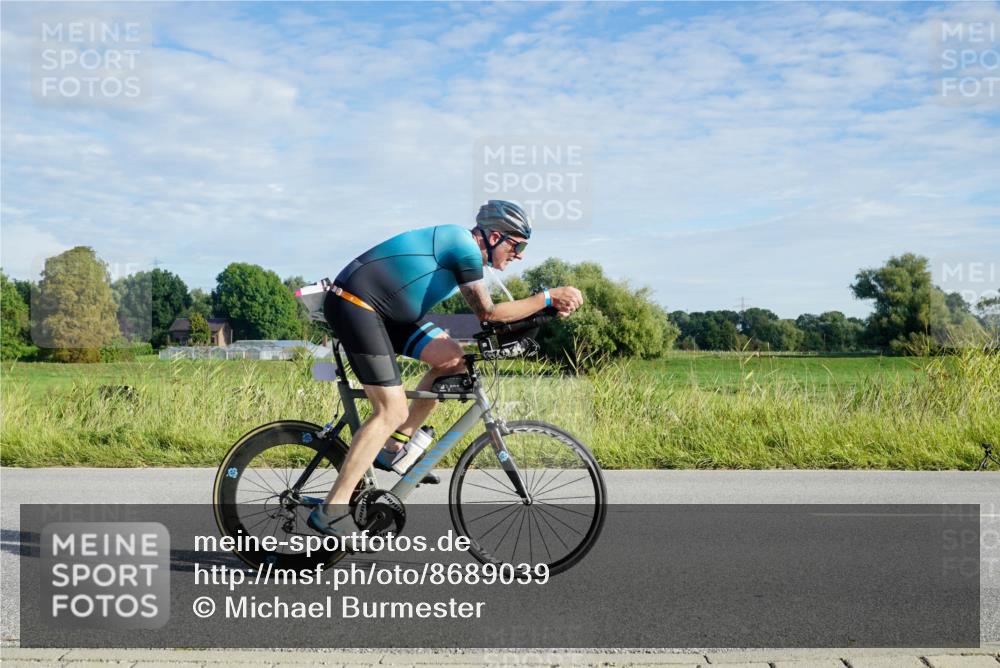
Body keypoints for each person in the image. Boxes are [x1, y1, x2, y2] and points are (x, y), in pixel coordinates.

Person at [308, 200, 584, 542]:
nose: (520, 255)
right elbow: (489, 313)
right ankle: (332, 509)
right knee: (390, 409)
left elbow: (499, 317)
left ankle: (394, 448)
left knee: (452, 360)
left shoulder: (466, 252)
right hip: (356, 307)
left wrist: (547, 309)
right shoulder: (463, 246)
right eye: (517, 245)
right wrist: (547, 297)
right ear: (494, 236)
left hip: (390, 315)